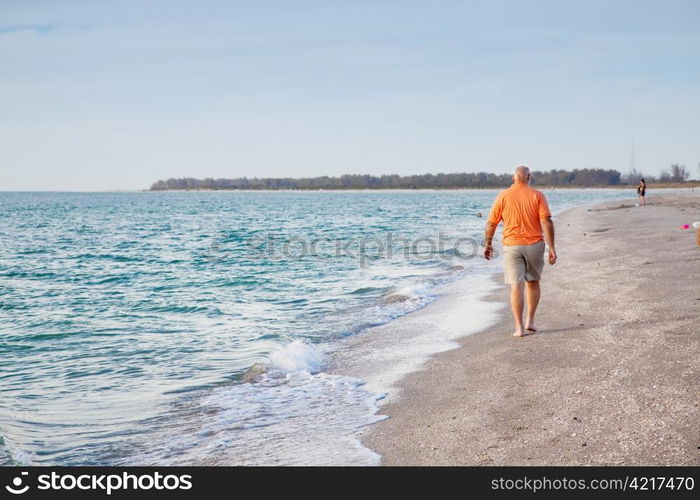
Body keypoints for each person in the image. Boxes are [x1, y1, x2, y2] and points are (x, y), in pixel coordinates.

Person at [484, 166, 557, 337]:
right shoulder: (537, 195)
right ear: (529, 177)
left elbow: (491, 223)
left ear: (513, 178)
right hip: (534, 245)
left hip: (511, 246)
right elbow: (546, 222)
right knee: (533, 282)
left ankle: (519, 327)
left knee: (516, 286)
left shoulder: (503, 195)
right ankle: (530, 321)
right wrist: (552, 247)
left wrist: (488, 244)